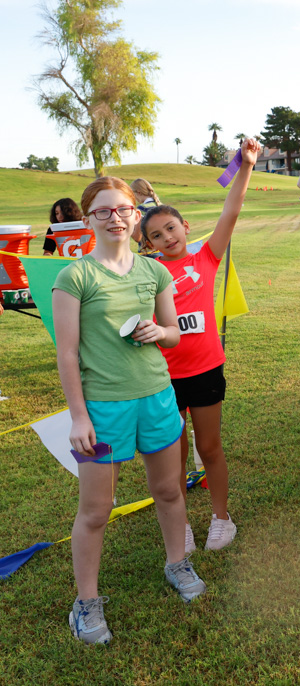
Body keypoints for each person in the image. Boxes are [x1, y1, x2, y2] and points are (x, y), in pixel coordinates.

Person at [53, 176, 204, 645]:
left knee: (169, 491)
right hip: (102, 409)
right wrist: (79, 416)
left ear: (136, 216)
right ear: (89, 220)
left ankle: (177, 563)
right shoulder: (75, 277)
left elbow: (173, 333)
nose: (114, 218)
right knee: (96, 510)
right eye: (103, 211)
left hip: (157, 398)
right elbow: (67, 354)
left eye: (123, 209)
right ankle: (86, 603)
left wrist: (160, 333)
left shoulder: (154, 272)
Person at [140, 137, 260, 552]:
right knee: (171, 455)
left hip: (206, 368)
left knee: (209, 447)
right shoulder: (146, 273)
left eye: (171, 228)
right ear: (149, 244)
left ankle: (222, 519)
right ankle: (181, 525)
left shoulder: (204, 258)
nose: (167, 237)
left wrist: (246, 166)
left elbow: (232, 211)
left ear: (185, 227)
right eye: (156, 235)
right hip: (162, 376)